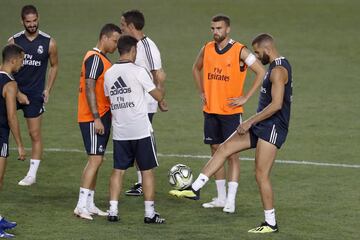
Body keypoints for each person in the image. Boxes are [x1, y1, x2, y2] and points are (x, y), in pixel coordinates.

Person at [170, 33, 292, 233]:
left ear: (267, 49)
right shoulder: (277, 65)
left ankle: (270, 223)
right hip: (262, 123)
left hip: (272, 128)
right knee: (225, 147)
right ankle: (194, 189)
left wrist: (251, 120)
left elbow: (277, 104)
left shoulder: (278, 71)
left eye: (258, 52)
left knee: (261, 175)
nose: (257, 55)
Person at [192, 14, 265, 213]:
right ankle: (220, 197)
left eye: (219, 28)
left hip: (231, 112)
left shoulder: (240, 50)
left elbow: (261, 71)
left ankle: (231, 201)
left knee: (232, 155)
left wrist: (246, 98)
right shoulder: (206, 48)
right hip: (211, 110)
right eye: (213, 28)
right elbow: (195, 68)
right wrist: (202, 92)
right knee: (216, 151)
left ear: (228, 29)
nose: (215, 32)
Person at [104, 35, 165, 224]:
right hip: (140, 130)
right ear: (132, 51)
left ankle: (112, 210)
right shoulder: (139, 71)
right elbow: (157, 96)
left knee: (118, 170)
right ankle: (149, 214)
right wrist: (161, 83)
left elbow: (109, 97)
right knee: (147, 171)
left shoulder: (109, 73)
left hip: (120, 131)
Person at [74, 24, 121, 221]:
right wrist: (96, 117)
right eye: (115, 40)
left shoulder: (102, 59)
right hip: (94, 117)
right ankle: (80, 205)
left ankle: (90, 204)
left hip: (102, 116)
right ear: (104, 37)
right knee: (95, 159)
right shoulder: (94, 58)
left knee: (98, 159)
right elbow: (89, 86)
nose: (116, 45)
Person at [8, 5, 59, 186]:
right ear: (22, 21)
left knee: (34, 133)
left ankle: (32, 174)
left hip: (35, 94)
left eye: (34, 21)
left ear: (38, 19)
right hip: (13, 91)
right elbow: (6, 69)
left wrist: (47, 89)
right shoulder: (13, 41)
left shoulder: (49, 42)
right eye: (28, 22)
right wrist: (16, 92)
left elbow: (54, 65)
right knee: (3, 127)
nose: (32, 25)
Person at [120, 9, 168, 196]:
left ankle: (143, 182)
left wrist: (161, 100)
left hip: (146, 102)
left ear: (131, 26)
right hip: (133, 102)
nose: (121, 28)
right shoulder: (131, 45)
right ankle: (141, 181)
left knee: (142, 140)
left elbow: (158, 74)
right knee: (137, 140)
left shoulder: (147, 46)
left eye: (123, 25)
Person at [0, 44, 26, 238]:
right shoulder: (11, 84)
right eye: (22, 60)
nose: (22, 64)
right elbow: (11, 117)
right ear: (14, 59)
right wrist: (19, 144)